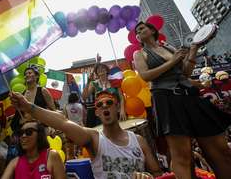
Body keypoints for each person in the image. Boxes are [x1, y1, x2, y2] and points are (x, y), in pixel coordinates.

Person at [133, 21, 231, 179]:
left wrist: (193, 50)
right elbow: (145, 76)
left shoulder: (169, 47)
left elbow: (184, 73)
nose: (139, 31)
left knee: (220, 150)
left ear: (152, 30)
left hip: (189, 96)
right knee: (183, 156)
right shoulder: (139, 54)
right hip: (166, 100)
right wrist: (172, 61)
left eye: (142, 28)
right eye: (137, 31)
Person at [10, 89, 163, 179]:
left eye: (109, 103)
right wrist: (28, 107)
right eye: (99, 105)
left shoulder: (138, 141)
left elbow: (157, 172)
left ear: (117, 108)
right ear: (97, 113)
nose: (104, 106)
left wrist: (147, 176)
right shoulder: (94, 138)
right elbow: (62, 122)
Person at [1, 120, 65, 179]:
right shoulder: (15, 162)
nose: (23, 136)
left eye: (29, 132)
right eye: (20, 133)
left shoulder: (52, 156)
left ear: (40, 135)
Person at [82, 63, 126, 128]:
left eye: (102, 68)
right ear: (96, 72)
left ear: (106, 70)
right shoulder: (94, 84)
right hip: (102, 115)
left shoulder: (114, 81)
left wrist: (122, 110)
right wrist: (88, 82)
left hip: (115, 112)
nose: (101, 70)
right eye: (98, 69)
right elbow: (84, 97)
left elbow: (121, 98)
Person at [63, 92, 86, 160]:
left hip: (70, 127)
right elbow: (84, 116)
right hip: (80, 126)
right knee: (81, 148)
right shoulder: (81, 106)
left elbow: (65, 118)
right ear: (77, 98)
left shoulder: (66, 106)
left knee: (70, 148)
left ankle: (71, 161)